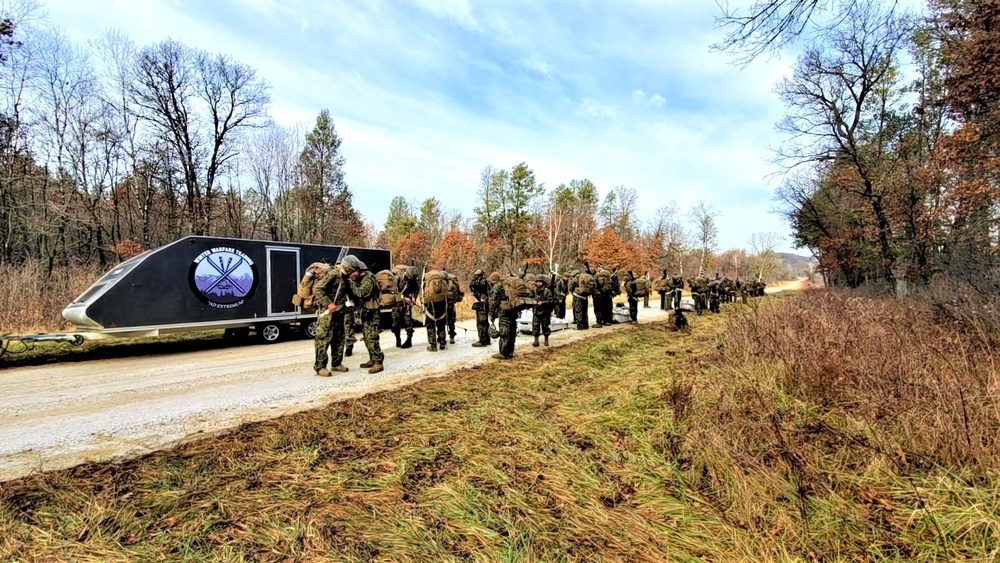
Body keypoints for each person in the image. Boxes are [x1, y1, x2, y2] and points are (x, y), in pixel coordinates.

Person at [343, 255, 384, 374]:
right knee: (366, 338)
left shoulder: (368, 280)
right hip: (366, 312)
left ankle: (378, 362)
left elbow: (361, 293)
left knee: (372, 338)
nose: (352, 274)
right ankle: (372, 358)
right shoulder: (362, 279)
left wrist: (351, 283)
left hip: (372, 312)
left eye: (354, 272)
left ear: (360, 271)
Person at [311, 262, 349, 376]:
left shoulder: (344, 276)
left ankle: (336, 363)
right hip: (327, 313)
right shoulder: (333, 274)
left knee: (339, 338)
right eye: (353, 269)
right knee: (323, 339)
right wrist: (329, 304)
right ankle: (320, 367)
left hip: (339, 312)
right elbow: (318, 289)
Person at [489, 275, 518, 360]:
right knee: (512, 331)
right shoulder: (509, 284)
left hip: (504, 312)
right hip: (513, 310)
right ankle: (510, 352)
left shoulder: (497, 287)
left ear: (493, 280)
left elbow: (493, 302)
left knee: (504, 332)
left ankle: (503, 353)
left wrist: (491, 315)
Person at [392, 265, 417, 349]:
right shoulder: (397, 278)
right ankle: (398, 339)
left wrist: (413, 298)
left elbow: (415, 290)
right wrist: (404, 299)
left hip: (407, 304)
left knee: (408, 322)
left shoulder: (413, 280)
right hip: (397, 303)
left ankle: (409, 340)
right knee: (396, 323)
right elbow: (394, 293)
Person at [469, 269, 492, 348]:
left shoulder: (483, 281)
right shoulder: (485, 281)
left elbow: (472, 284)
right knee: (484, 322)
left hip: (482, 304)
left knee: (481, 322)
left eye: (476, 275)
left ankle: (483, 340)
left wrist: (475, 277)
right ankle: (486, 339)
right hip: (483, 303)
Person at [531, 274, 554, 347]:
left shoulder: (547, 291)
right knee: (535, 326)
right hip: (536, 311)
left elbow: (550, 301)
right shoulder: (534, 290)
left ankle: (546, 340)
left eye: (540, 282)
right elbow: (531, 298)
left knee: (545, 326)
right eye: (537, 282)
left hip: (545, 312)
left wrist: (543, 303)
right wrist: (533, 302)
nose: (538, 283)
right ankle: (536, 341)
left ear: (543, 282)